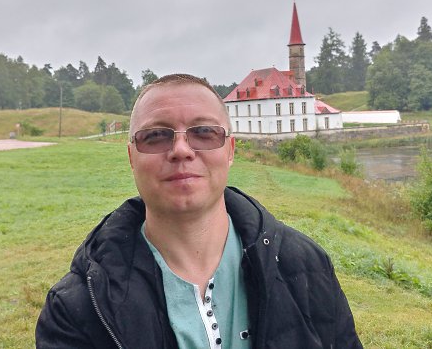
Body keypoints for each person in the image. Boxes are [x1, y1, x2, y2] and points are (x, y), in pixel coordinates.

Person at [36, 73, 362, 348]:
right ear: (132, 157)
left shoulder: (306, 266)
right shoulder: (77, 308)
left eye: (204, 132)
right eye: (155, 136)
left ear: (230, 150)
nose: (181, 150)